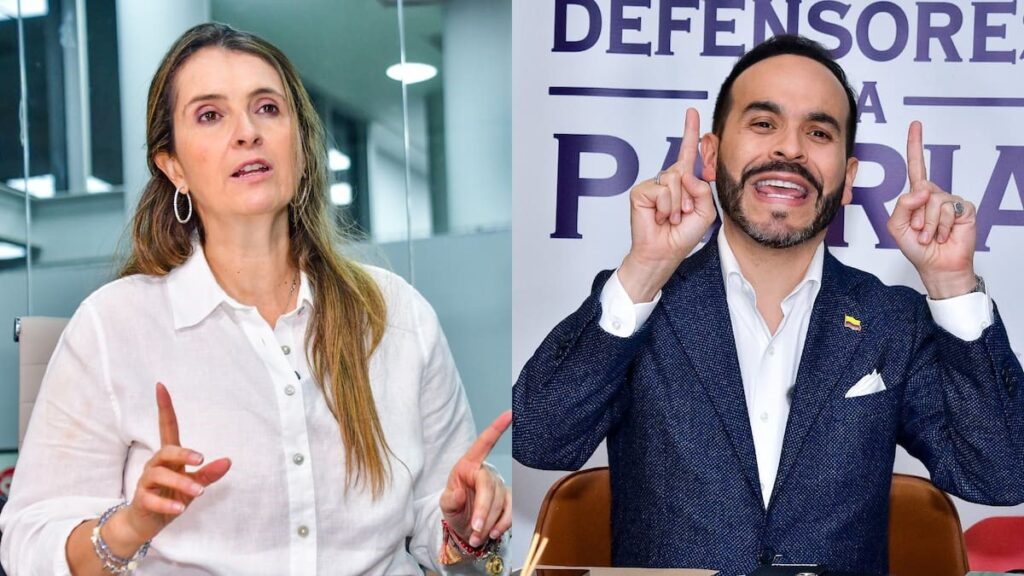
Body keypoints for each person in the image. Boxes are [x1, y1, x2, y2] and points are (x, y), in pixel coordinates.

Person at [1, 22, 511, 576]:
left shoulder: (395, 314)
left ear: (300, 145)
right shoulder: (114, 326)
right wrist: (130, 526)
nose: (247, 132)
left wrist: (465, 526)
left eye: (267, 108)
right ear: (174, 166)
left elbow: (441, 526)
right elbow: (28, 541)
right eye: (210, 115)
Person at [513, 35, 1024, 576]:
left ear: (849, 179)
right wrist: (645, 268)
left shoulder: (891, 320)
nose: (790, 149)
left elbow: (1002, 473)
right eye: (763, 123)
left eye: (819, 132)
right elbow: (540, 438)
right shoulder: (643, 301)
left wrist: (951, 282)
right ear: (711, 155)